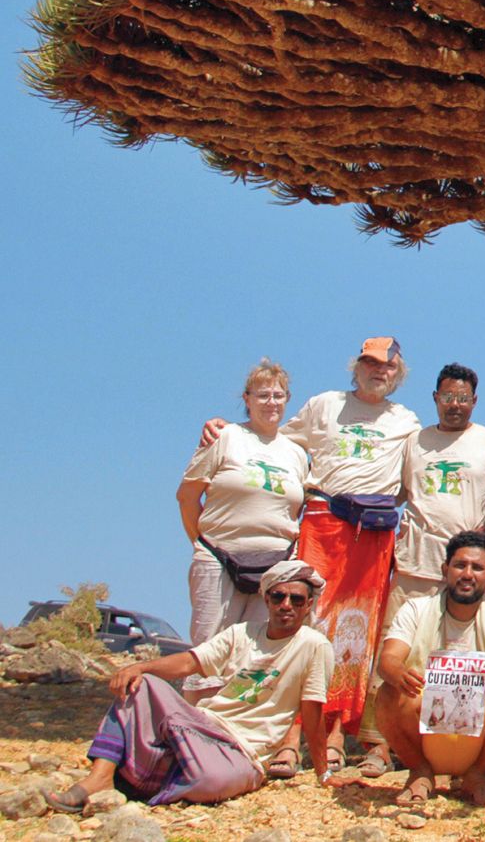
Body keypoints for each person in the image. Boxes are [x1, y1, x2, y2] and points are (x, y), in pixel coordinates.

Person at [203, 337, 421, 771]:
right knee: (303, 619)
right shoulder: (325, 405)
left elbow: (430, 461)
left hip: (372, 533)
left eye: (388, 366)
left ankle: (336, 733)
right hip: (323, 521)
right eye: (371, 363)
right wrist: (227, 428)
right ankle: (290, 736)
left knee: (356, 634)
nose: (379, 372)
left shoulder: (406, 421)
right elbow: (270, 439)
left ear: (399, 373)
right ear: (356, 366)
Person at [44, 561, 334, 812]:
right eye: (279, 596)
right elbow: (188, 663)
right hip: (204, 725)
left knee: (213, 780)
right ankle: (100, 777)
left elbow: (312, 713)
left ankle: (145, 776)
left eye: (296, 599)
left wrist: (323, 773)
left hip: (245, 751)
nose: (286, 605)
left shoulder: (314, 646)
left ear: (308, 605)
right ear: (267, 599)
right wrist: (140, 667)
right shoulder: (242, 633)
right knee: (140, 685)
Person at [176, 359, 308, 713]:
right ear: (247, 399)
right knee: (208, 653)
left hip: (274, 566)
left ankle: (237, 733)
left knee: (256, 656)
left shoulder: (296, 453)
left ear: (288, 399)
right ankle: (194, 730)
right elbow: (187, 497)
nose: (271, 402)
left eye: (278, 395)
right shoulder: (224, 438)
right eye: (262, 395)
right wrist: (203, 545)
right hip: (219, 557)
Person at [373, 531, 485, 807]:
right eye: (460, 565)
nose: (467, 574)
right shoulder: (416, 609)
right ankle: (420, 772)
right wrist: (400, 674)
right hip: (423, 728)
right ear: (445, 570)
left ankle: (478, 774)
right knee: (388, 692)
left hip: (481, 734)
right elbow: (388, 660)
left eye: (477, 568)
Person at [393, 363, 485, 614]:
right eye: (447, 397)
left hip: (467, 572)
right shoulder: (414, 441)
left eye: (463, 399)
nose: (454, 405)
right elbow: (393, 494)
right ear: (435, 398)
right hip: (413, 567)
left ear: (474, 401)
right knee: (399, 635)